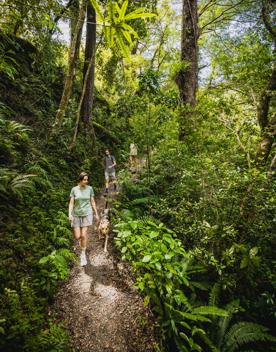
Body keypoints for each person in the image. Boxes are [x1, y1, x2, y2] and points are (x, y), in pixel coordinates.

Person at [68, 172, 99, 266]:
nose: (86, 181)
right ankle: (81, 243)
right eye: (84, 179)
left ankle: (83, 254)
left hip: (87, 213)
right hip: (76, 214)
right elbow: (71, 203)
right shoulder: (74, 189)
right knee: (78, 236)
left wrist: (96, 213)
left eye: (87, 179)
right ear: (80, 180)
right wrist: (69, 214)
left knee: (83, 234)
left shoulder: (90, 189)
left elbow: (92, 201)